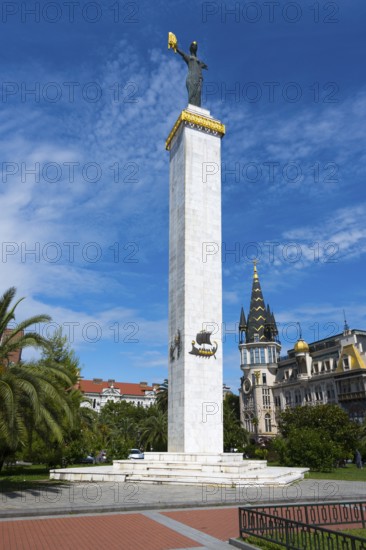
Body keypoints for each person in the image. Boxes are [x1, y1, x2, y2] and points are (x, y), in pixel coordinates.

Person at [176, 41, 208, 107]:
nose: (195, 46)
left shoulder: (199, 61)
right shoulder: (189, 58)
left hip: (198, 78)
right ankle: (191, 108)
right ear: (191, 47)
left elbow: (203, 65)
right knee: (192, 93)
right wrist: (176, 48)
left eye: (196, 46)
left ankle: (197, 108)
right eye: (193, 45)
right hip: (191, 77)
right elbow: (182, 53)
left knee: (198, 93)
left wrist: (204, 66)